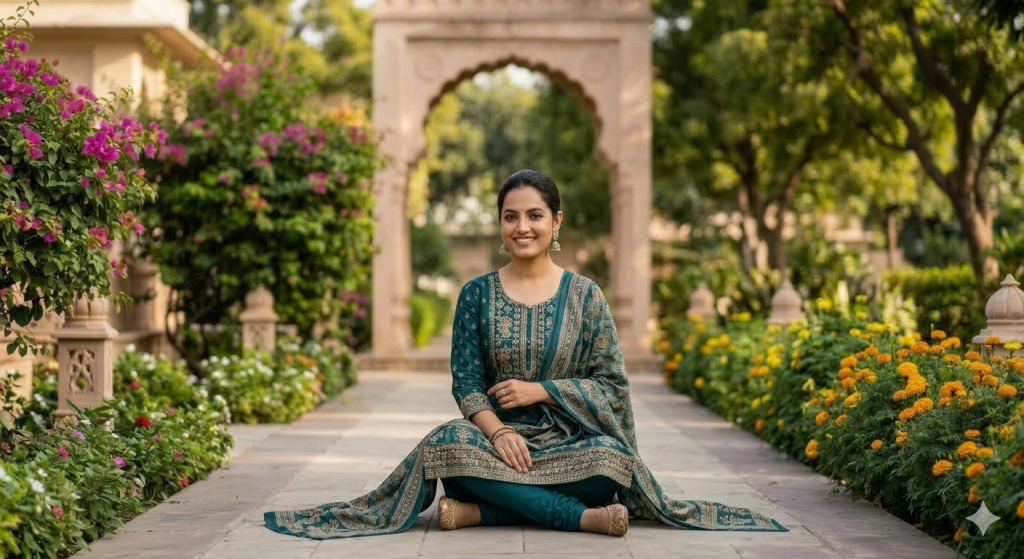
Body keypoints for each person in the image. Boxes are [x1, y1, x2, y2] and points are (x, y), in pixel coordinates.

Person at [264, 169, 786, 539]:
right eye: (511, 217)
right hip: (496, 445)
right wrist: (500, 431)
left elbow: (612, 387)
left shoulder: (586, 297)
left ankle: (481, 514)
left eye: (535, 215)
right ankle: (583, 519)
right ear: (499, 225)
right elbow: (466, 383)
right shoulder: (476, 294)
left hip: (572, 442)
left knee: (614, 462)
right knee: (446, 445)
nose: (523, 227)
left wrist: (545, 391)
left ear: (556, 221)